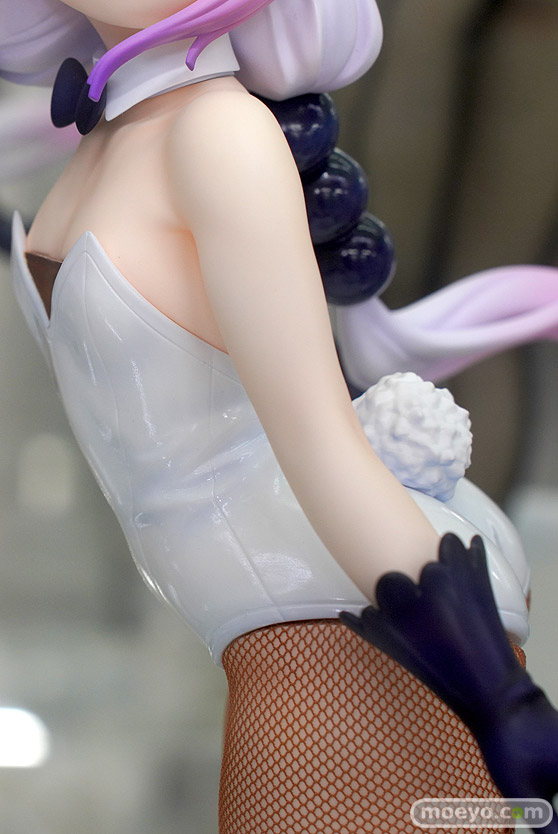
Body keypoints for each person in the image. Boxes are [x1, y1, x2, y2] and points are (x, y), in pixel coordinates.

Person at [2, 1, 555, 831]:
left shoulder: (218, 134)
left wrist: (502, 699)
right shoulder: (121, 134)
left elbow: (323, 447)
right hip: (287, 632)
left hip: (349, 632)